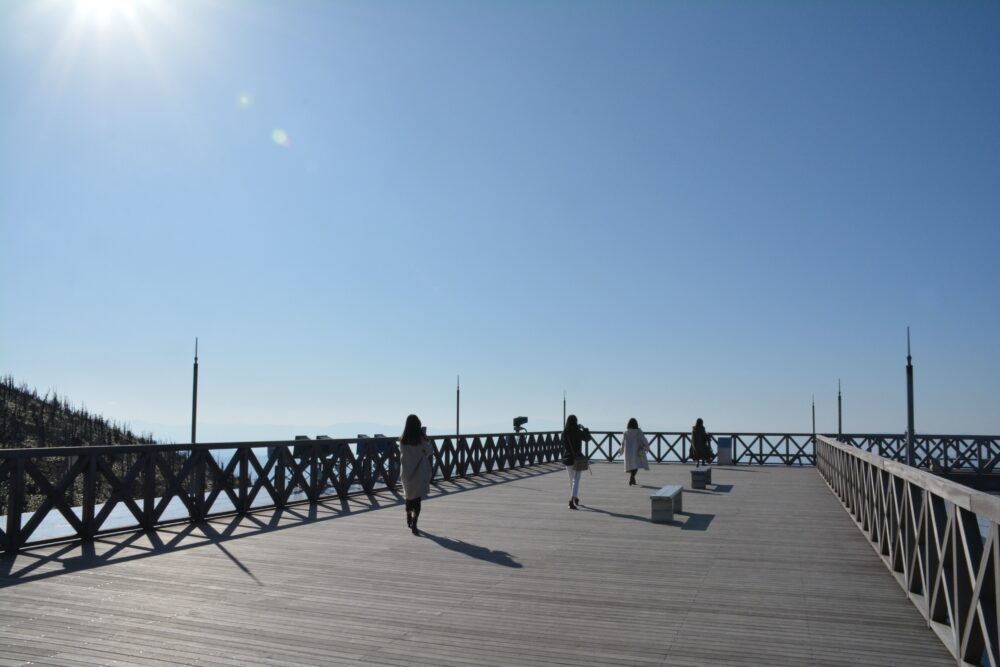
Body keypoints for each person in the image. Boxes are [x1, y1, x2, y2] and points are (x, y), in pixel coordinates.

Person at [399, 414, 433, 535]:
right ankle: (414, 523)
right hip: (419, 473)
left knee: (409, 497)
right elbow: (429, 451)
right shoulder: (421, 439)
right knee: (417, 499)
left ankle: (408, 514)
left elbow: (404, 455)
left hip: (407, 473)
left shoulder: (402, 441)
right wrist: (426, 439)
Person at [562, 414, 591, 509]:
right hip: (577, 459)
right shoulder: (578, 432)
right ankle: (571, 500)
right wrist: (585, 429)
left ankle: (575, 497)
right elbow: (588, 439)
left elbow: (564, 445)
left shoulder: (565, 432)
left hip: (568, 458)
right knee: (576, 480)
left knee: (572, 480)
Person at [618, 418, 650, 486]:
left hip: (628, 452)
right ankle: (632, 477)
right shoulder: (639, 432)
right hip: (637, 451)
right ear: (636, 424)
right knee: (636, 466)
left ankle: (633, 479)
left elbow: (623, 443)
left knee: (631, 466)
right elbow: (644, 440)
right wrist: (647, 447)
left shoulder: (626, 432)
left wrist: (621, 451)